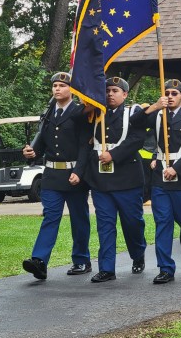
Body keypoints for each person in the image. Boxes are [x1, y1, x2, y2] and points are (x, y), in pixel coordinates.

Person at [21, 72, 92, 280]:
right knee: (50, 217)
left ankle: (81, 260)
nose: (57, 89)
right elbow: (42, 145)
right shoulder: (49, 114)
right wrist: (31, 153)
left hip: (74, 175)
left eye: (62, 85)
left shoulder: (80, 113)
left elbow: (84, 146)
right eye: (55, 86)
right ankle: (39, 261)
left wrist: (79, 171)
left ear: (71, 89)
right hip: (51, 175)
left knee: (79, 219)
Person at [133, 79, 181, 283]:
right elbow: (135, 122)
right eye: (167, 93)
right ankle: (165, 268)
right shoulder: (157, 114)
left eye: (174, 93)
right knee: (162, 222)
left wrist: (177, 168)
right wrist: (154, 106)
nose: (170, 96)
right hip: (160, 177)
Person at [86, 77, 147, 283]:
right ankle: (107, 268)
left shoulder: (133, 114)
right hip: (101, 180)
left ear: (125, 94)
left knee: (132, 223)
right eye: (107, 91)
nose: (110, 94)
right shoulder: (96, 115)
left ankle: (138, 253)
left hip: (127, 178)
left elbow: (137, 140)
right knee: (105, 225)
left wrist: (114, 154)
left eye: (115, 90)